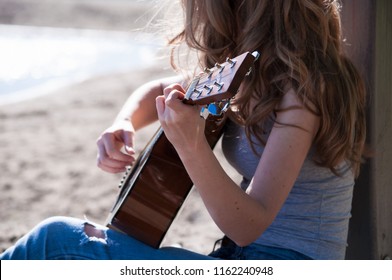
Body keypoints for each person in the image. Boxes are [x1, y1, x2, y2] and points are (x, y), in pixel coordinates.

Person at [1, 0, 366, 260]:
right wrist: (124, 122)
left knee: (56, 242)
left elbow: (249, 225)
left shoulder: (306, 89)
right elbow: (157, 90)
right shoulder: (255, 74)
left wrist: (192, 144)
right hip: (237, 259)